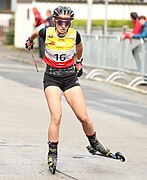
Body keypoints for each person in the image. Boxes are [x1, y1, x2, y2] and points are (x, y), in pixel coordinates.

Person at [25, 6, 113, 171]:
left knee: (84, 117)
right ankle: (52, 152)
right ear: (55, 21)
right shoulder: (47, 32)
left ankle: (94, 143)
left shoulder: (74, 35)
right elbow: (36, 33)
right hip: (51, 78)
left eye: (67, 22)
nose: (64, 25)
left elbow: (79, 47)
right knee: (56, 116)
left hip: (69, 78)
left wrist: (79, 62)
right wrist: (30, 41)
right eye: (61, 22)